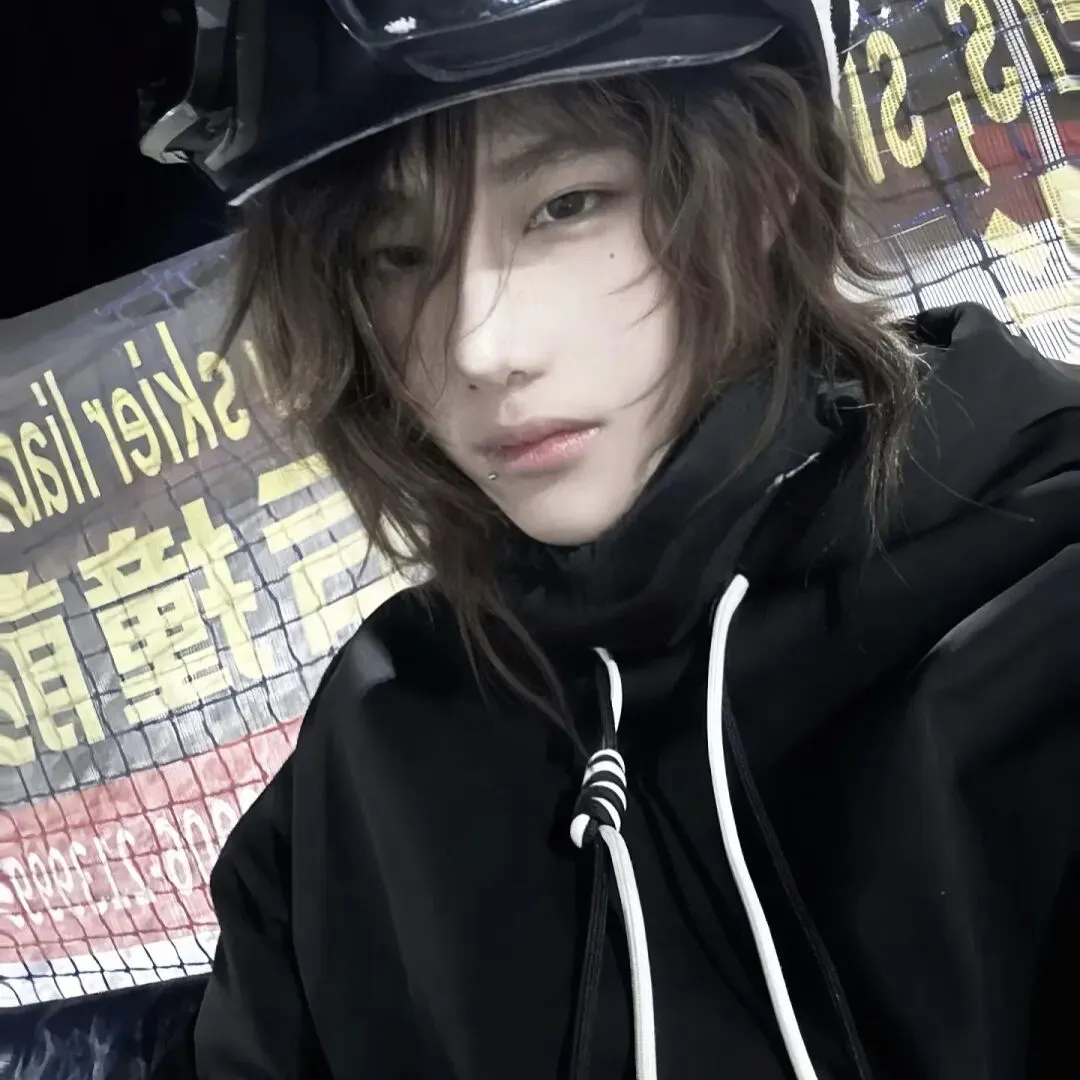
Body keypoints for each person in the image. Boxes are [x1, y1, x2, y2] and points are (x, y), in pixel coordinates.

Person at [144, 1, 1080, 1077]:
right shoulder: (362, 766)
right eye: (397, 253)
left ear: (766, 181)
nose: (479, 345)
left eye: (567, 206)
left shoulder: (1037, 593)